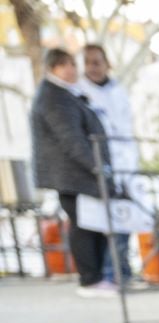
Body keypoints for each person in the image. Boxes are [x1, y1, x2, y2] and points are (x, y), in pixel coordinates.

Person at [29, 49, 112, 296]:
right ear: (53, 69)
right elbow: (71, 139)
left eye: (72, 65)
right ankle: (90, 279)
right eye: (65, 66)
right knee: (84, 225)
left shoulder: (65, 93)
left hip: (76, 173)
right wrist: (95, 165)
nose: (72, 70)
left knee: (91, 223)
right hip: (72, 174)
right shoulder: (54, 96)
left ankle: (95, 277)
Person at [80, 44, 136, 285]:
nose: (93, 67)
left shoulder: (118, 91)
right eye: (88, 62)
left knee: (125, 218)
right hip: (96, 166)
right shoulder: (79, 93)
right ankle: (110, 274)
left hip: (124, 163)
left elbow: (126, 129)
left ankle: (121, 270)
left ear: (106, 63)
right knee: (103, 223)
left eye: (97, 62)